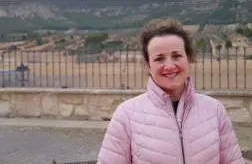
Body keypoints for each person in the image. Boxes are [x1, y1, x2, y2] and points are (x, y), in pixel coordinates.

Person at [96, 19, 245, 164]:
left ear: (188, 58)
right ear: (148, 65)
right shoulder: (126, 115)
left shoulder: (215, 110)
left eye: (176, 56)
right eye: (159, 59)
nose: (169, 65)